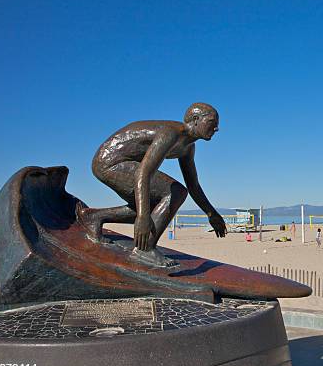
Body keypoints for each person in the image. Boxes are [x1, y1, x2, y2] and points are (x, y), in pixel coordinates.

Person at [77, 103, 227, 266]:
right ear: (196, 120)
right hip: (110, 162)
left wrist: (211, 214)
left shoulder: (188, 147)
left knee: (158, 206)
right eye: (212, 121)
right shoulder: (171, 133)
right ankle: (144, 250)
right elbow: (144, 173)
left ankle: (95, 217)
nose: (217, 128)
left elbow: (193, 185)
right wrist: (142, 217)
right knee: (175, 192)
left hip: (120, 163)